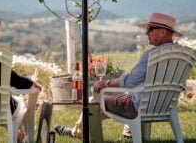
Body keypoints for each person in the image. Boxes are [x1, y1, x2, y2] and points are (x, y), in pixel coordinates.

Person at [54, 12, 182, 140]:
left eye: (150, 29)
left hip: (138, 107)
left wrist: (105, 83)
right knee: (127, 96)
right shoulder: (181, 55)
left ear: (163, 32)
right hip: (165, 106)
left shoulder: (151, 55)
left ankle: (77, 133)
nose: (146, 33)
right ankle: (129, 135)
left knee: (94, 101)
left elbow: (130, 82)